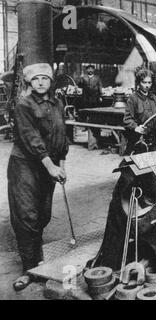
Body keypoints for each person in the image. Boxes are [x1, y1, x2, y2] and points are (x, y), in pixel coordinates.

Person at [8, 63, 69, 291]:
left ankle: (38, 259)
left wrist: (61, 166)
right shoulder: (24, 105)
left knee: (43, 214)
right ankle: (28, 269)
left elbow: (62, 137)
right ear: (29, 83)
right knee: (27, 217)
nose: (41, 82)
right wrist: (50, 166)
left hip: (49, 165)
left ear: (51, 81)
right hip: (25, 166)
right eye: (36, 79)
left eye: (45, 78)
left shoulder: (57, 104)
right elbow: (30, 138)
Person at [123, 67, 156, 155]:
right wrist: (136, 127)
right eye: (144, 82)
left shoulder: (155, 98)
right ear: (138, 83)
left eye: (149, 82)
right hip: (139, 140)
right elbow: (127, 119)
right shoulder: (133, 99)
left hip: (155, 140)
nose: (147, 85)